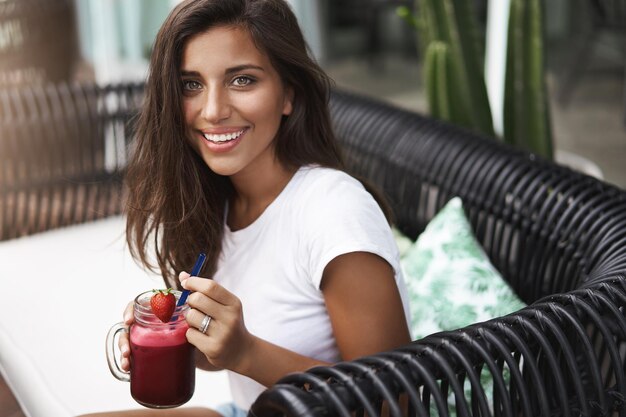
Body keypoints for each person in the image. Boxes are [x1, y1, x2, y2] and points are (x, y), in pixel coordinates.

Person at [84, 0, 411, 416]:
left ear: (288, 94)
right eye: (191, 84)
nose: (214, 110)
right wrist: (195, 340)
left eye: (242, 80)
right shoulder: (216, 201)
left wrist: (247, 352)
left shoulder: (334, 210)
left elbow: (394, 403)